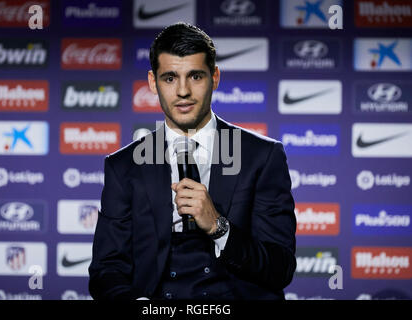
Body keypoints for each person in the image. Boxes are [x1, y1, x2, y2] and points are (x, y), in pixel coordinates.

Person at [89, 22, 296, 300]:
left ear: (215, 77)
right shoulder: (123, 166)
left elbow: (280, 268)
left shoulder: (262, 156)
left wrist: (218, 227)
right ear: (153, 82)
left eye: (195, 77)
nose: (183, 91)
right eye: (170, 78)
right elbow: (106, 269)